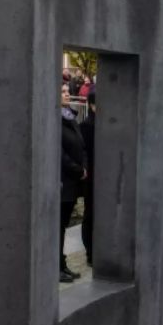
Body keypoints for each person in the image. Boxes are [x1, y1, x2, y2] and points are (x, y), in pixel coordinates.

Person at [59, 85, 87, 283]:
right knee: (58, 226)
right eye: (62, 91)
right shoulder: (54, 120)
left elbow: (81, 145)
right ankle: (56, 266)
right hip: (62, 180)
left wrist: (84, 165)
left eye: (68, 91)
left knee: (63, 223)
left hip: (73, 180)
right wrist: (77, 169)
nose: (68, 94)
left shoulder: (70, 117)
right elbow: (59, 154)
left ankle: (62, 264)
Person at [78, 93, 97, 267]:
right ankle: (90, 251)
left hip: (105, 176)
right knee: (90, 214)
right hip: (92, 177)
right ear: (92, 106)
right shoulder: (85, 126)